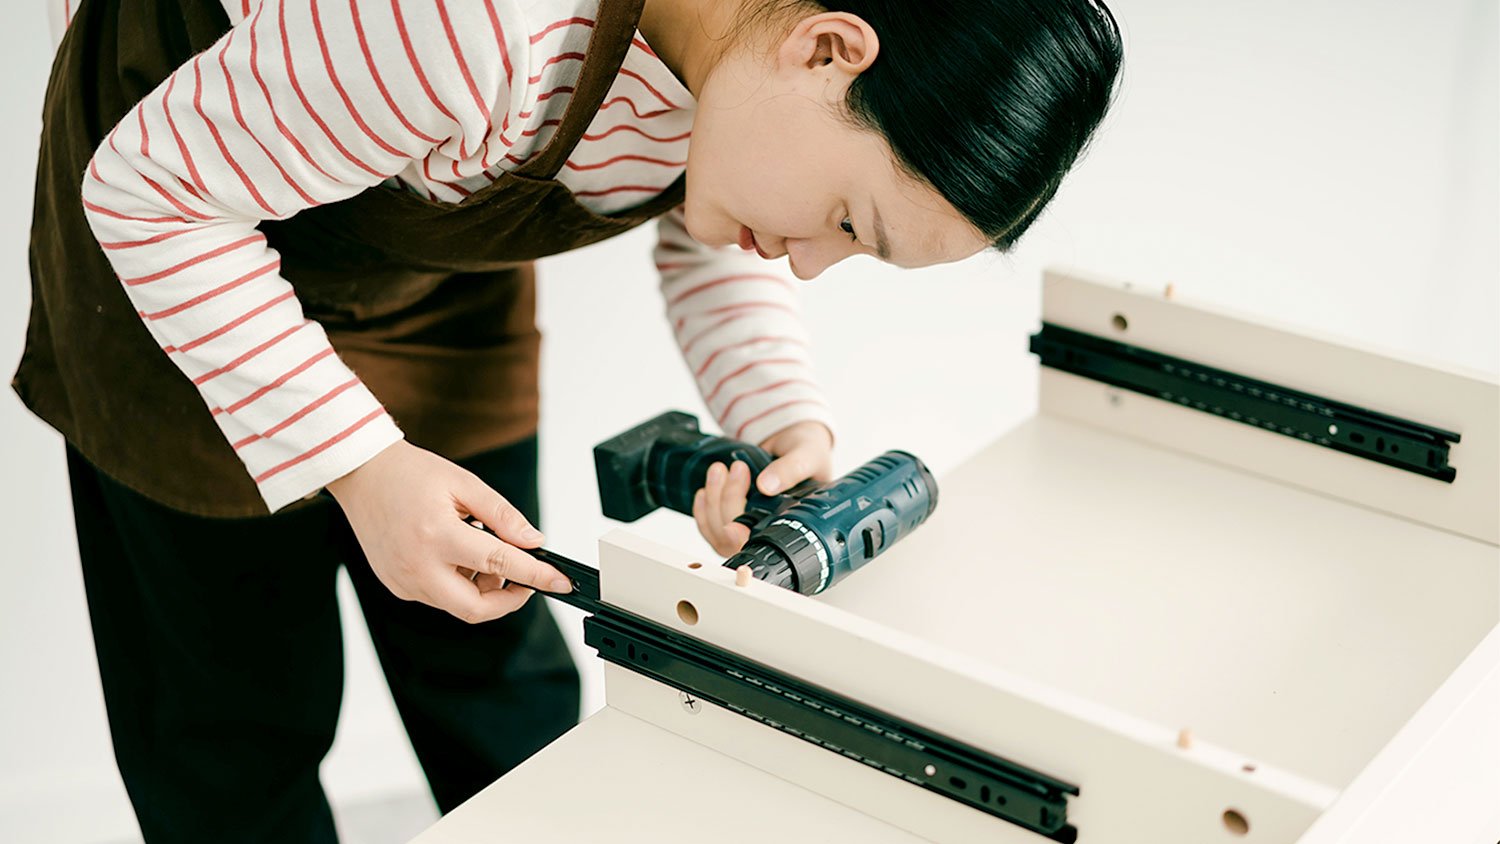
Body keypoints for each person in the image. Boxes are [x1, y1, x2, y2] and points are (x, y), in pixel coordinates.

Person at [14, 0, 1122, 840]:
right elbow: (149, 192)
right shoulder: (468, 27)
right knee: (235, 717)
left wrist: (781, 416)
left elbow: (716, 216)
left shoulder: (739, 49)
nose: (814, 262)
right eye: (844, 219)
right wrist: (359, 461)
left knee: (495, 653)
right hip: (178, 236)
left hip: (416, 253)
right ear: (829, 49)